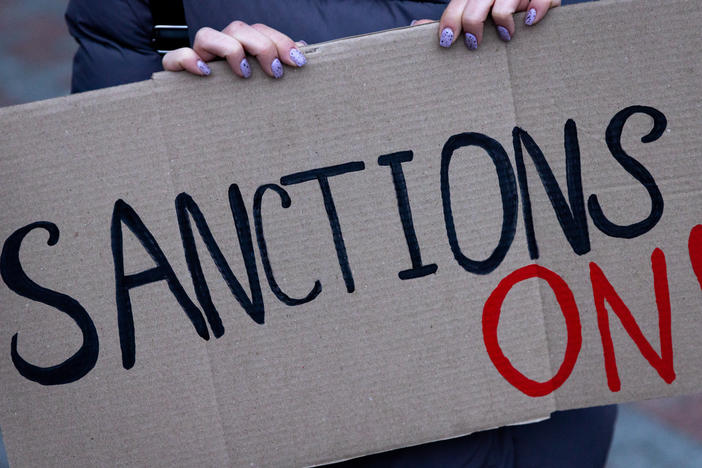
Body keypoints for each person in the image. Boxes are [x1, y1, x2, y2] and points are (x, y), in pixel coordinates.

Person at [64, 0, 616, 466]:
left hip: (535, 395)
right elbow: (117, 243)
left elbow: (633, 128)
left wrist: (555, 32)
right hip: (293, 414)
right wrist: (182, 112)